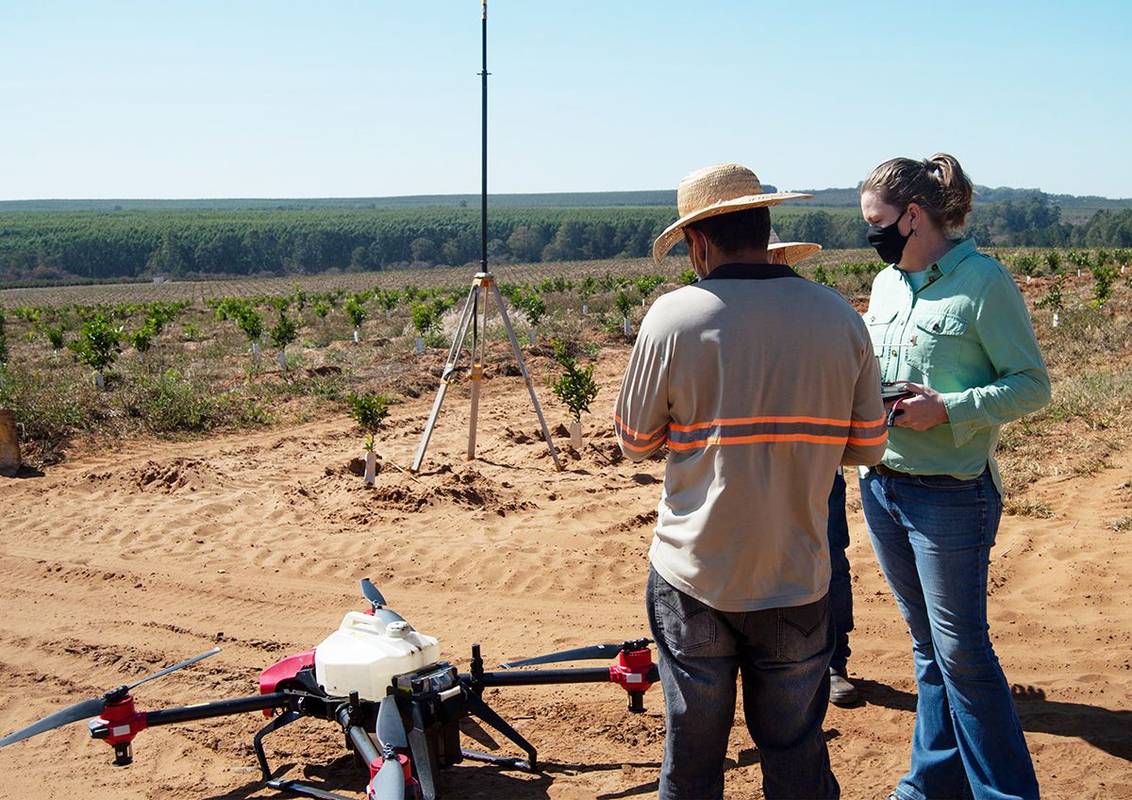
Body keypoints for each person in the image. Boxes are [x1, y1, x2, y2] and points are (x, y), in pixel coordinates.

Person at [616, 162, 887, 800]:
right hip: (797, 574)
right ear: (766, 229)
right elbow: (870, 447)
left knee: (693, 758)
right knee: (795, 748)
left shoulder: (672, 318)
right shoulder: (839, 317)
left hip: (696, 575)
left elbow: (634, 443)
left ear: (700, 240)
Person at [857, 153, 1049, 800]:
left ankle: (1006, 794)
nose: (871, 235)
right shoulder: (886, 285)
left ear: (914, 216)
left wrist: (948, 410)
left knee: (963, 655)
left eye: (877, 221)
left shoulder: (983, 283)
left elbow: (1031, 386)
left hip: (951, 495)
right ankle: (930, 785)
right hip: (883, 486)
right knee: (927, 650)